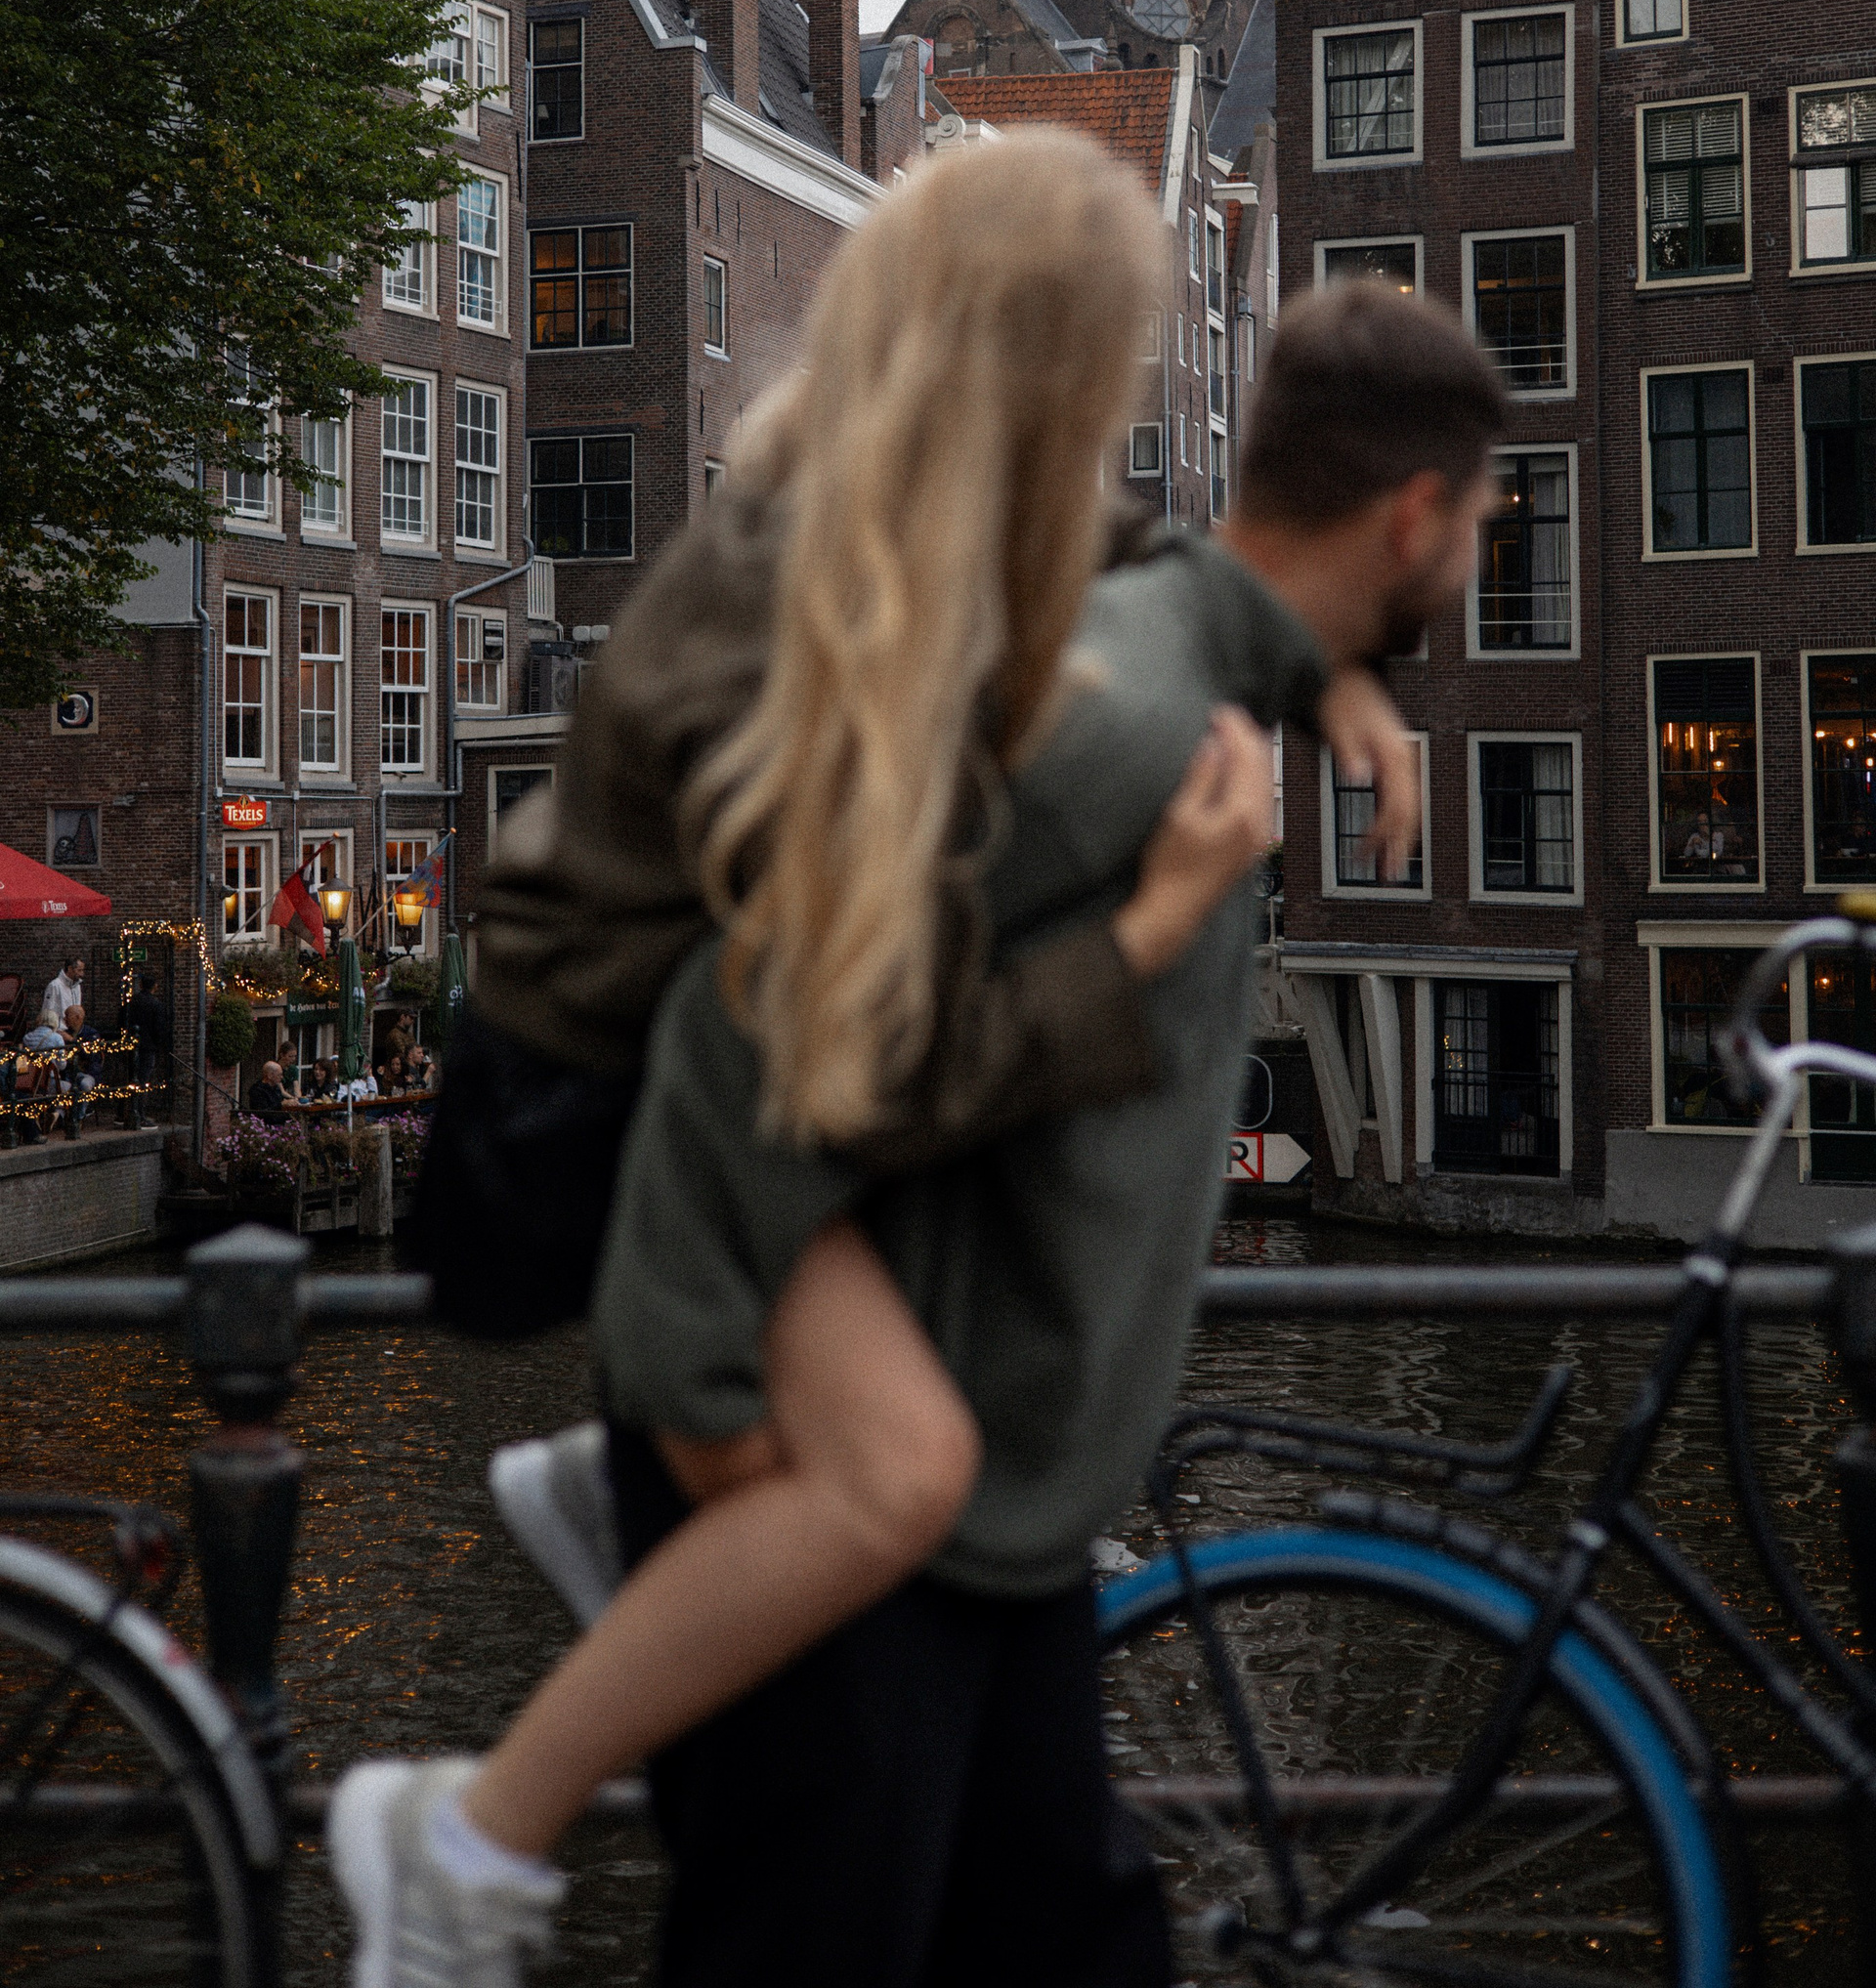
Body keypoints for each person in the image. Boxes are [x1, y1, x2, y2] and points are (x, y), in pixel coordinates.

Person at [328, 155, 1446, 1986]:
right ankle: (462, 1831)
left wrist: (1318, 668)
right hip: (607, 1102)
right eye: (1115, 360)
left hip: (690, 1083)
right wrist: (1150, 928)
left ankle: (637, 1499)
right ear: (1049, 371)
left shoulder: (912, 500)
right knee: (906, 1470)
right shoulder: (841, 593)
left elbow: (1136, 551)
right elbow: (793, 1019)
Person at [39, 955, 84, 1037]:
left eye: (82, 970)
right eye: (79, 970)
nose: (82, 974)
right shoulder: (54, 986)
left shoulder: (77, 986)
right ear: (70, 969)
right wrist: (56, 1031)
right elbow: (48, 1011)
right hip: (60, 1032)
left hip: (74, 1031)